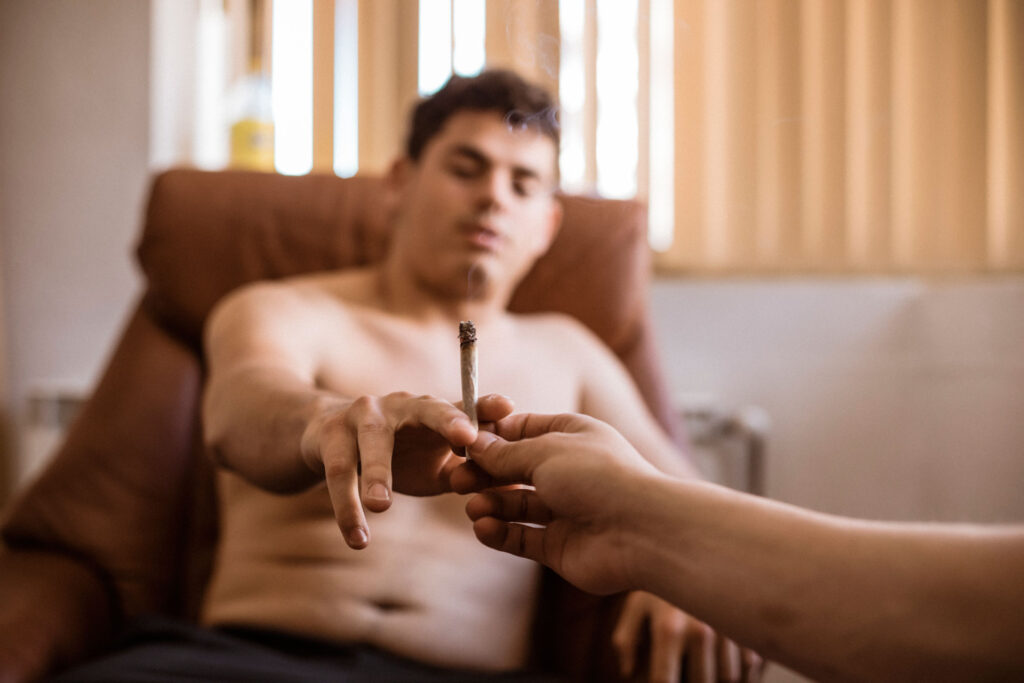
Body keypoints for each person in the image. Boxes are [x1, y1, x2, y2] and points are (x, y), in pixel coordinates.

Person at [50, 70, 758, 682]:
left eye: (522, 182)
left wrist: (687, 578)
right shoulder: (285, 308)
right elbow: (238, 413)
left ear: (546, 224)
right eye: (465, 167)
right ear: (399, 182)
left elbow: (688, 505)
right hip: (244, 659)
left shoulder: (572, 354)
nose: (492, 198)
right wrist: (322, 423)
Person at [452, 411, 1024, 682]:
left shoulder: (566, 342)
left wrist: (664, 551)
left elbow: (673, 487)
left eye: (522, 181)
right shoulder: (357, 334)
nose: (493, 199)